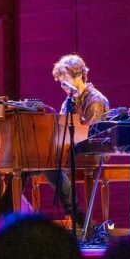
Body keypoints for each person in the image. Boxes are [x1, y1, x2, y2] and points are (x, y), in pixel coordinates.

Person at [44, 54, 110, 224]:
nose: (62, 85)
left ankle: (76, 214)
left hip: (92, 151)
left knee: (50, 164)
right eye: (61, 82)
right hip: (71, 150)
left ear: (79, 75)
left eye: (65, 79)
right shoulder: (68, 101)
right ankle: (3, 210)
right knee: (34, 161)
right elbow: (61, 128)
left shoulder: (95, 99)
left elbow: (92, 135)